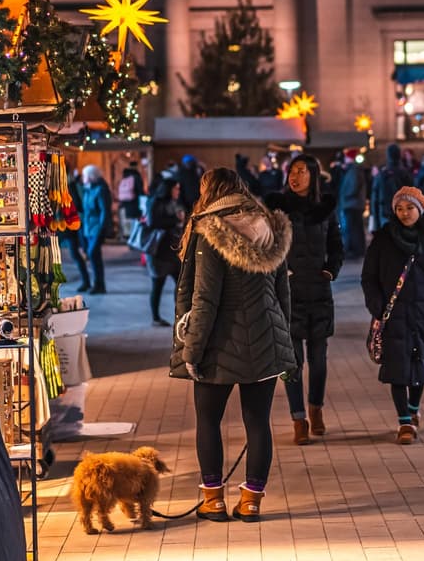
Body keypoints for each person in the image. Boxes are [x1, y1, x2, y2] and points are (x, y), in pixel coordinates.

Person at [171, 168, 295, 523]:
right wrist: (283, 341)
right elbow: (283, 293)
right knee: (258, 422)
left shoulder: (210, 230)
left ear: (209, 191)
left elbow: (205, 299)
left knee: (208, 420)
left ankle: (213, 500)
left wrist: (191, 351)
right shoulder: (270, 228)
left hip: (219, 343)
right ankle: (252, 500)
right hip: (267, 339)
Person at [265, 154, 343, 446]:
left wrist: (330, 271)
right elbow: (267, 246)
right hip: (290, 292)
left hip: (320, 291)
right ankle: (298, 418)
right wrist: (281, 271)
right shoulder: (278, 208)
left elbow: (337, 245)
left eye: (301, 171)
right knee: (292, 362)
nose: (294, 177)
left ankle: (316, 409)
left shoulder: (326, 209)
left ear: (313, 175)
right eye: (291, 171)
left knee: (319, 361)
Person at [361, 186, 424, 444]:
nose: (404, 213)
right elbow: (369, 277)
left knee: (419, 366)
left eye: (409, 208)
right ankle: (404, 422)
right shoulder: (383, 239)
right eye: (399, 208)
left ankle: (413, 409)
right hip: (394, 315)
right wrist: (377, 306)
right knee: (397, 368)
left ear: (420, 209)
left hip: (422, 314)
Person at [145, 176, 185, 327]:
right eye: (176, 188)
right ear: (169, 189)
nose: (178, 191)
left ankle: (181, 314)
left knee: (182, 283)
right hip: (159, 250)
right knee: (158, 284)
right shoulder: (155, 202)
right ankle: (155, 318)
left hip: (174, 250)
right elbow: (153, 222)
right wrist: (175, 220)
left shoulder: (174, 202)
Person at [80, 165, 114, 295]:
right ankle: (100, 285)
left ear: (90, 176)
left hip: (97, 228)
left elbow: (104, 211)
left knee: (92, 253)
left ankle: (98, 283)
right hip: (88, 228)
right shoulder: (88, 190)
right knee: (95, 256)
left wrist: (101, 228)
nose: (83, 178)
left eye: (84, 175)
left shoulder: (100, 190)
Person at [370, 144, 413, 230]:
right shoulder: (405, 173)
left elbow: (375, 197)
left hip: (385, 213)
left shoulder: (382, 175)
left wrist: (374, 217)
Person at [63, 167, 92, 291]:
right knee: (75, 254)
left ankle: (86, 281)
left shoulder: (70, 188)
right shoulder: (71, 187)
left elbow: (78, 206)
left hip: (69, 225)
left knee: (75, 254)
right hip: (67, 225)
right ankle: (86, 281)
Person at [337, 149, 367, 257]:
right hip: (353, 204)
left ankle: (355, 250)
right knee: (355, 228)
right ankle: (357, 249)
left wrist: (345, 196)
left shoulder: (354, 170)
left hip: (352, 204)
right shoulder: (353, 169)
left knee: (353, 228)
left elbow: (353, 186)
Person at [117, 160, 145, 238]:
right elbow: (140, 191)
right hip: (135, 202)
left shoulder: (125, 176)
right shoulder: (136, 176)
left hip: (125, 202)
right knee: (136, 221)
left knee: (127, 221)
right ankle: (134, 238)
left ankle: (128, 237)